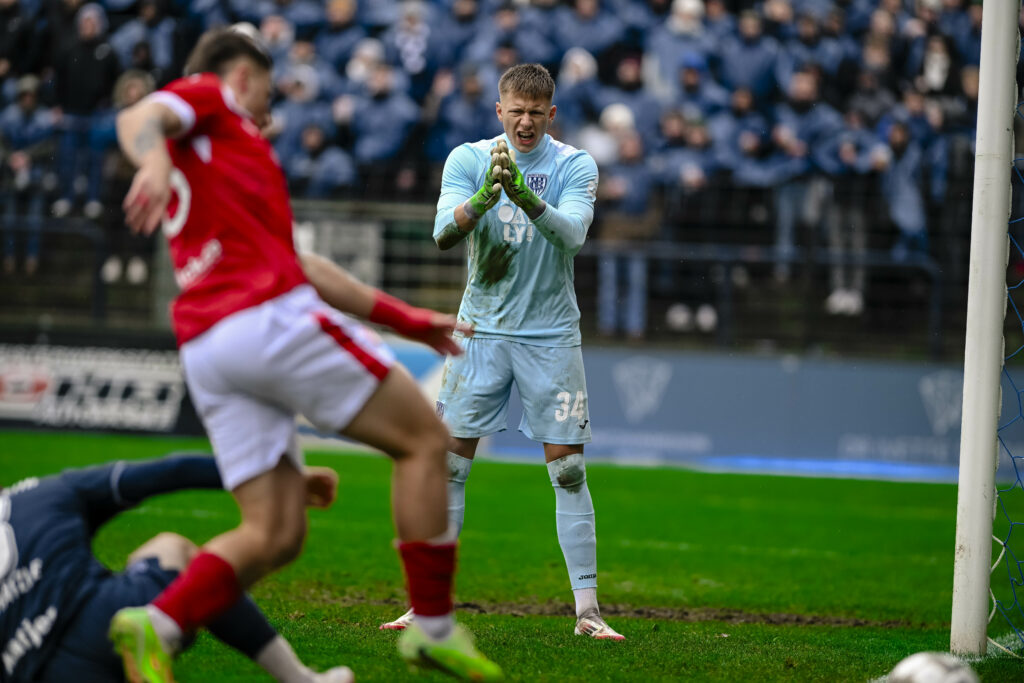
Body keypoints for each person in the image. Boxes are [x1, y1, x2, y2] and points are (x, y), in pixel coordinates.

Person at [106, 26, 501, 683]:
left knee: (275, 532)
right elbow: (137, 116)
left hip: (208, 346)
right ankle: (433, 629)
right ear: (241, 77)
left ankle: (159, 623)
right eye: (265, 94)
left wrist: (405, 319)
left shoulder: (223, 162)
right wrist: (151, 159)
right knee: (425, 441)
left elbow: (305, 264)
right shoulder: (212, 96)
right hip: (266, 320)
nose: (268, 115)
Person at [379, 62, 624, 640]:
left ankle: (587, 612)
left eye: (536, 113)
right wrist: (483, 201)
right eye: (516, 111)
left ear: (552, 114)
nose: (526, 122)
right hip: (480, 331)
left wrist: (525, 197)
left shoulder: (575, 165)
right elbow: (443, 233)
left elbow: (574, 236)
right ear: (499, 110)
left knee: (568, 470)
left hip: (550, 334)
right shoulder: (469, 159)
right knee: (449, 465)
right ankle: (427, 605)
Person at [0, 451, 352, 682]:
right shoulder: (43, 493)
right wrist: (278, 482)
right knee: (175, 549)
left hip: (27, 668)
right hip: (101, 623)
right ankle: (299, 678)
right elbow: (171, 471)